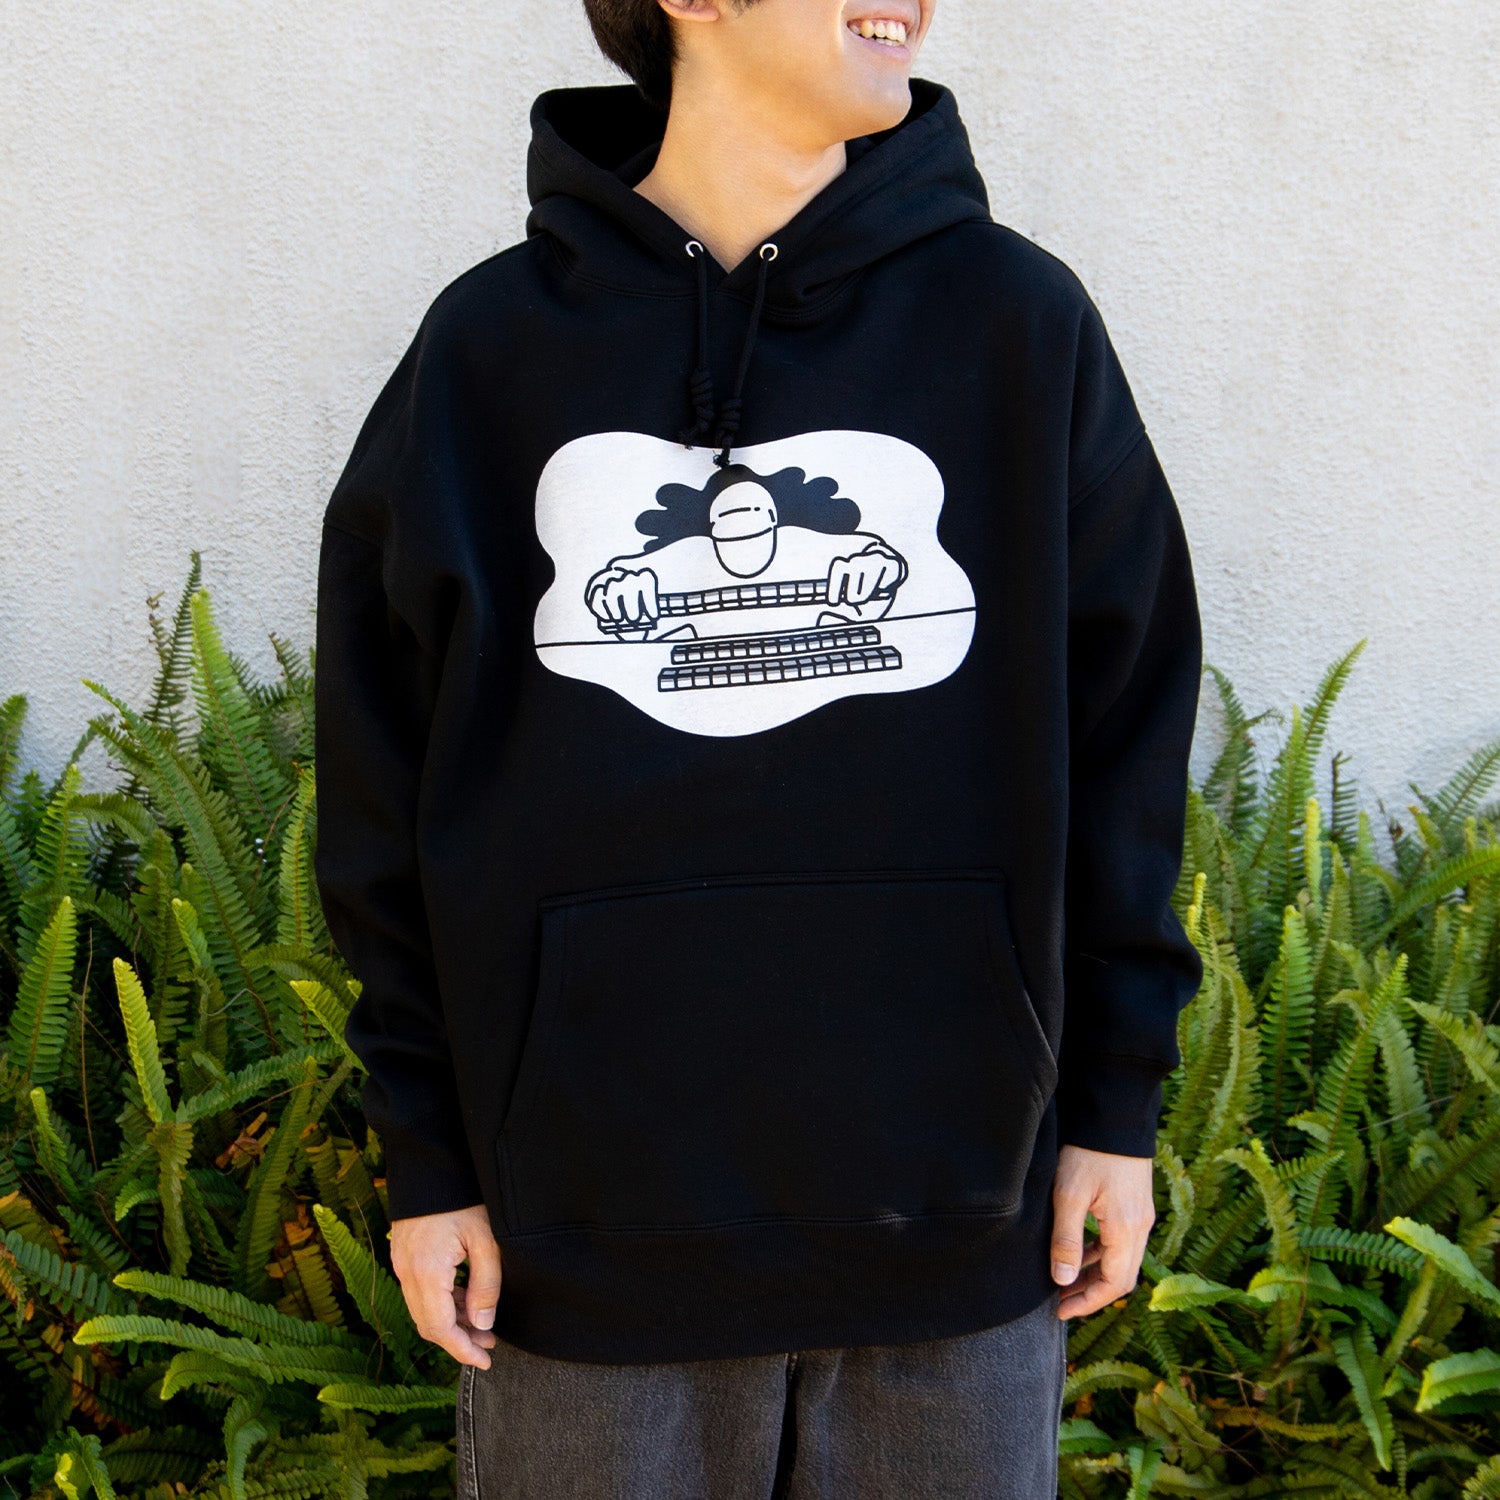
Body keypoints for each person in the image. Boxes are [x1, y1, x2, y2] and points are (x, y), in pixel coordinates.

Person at [311, 0, 1205, 1493]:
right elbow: (379, 779)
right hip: (585, 1252)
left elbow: (1128, 731)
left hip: (959, 1235)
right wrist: (428, 1154)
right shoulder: (490, 353)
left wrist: (1117, 1107)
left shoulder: (1019, 326)